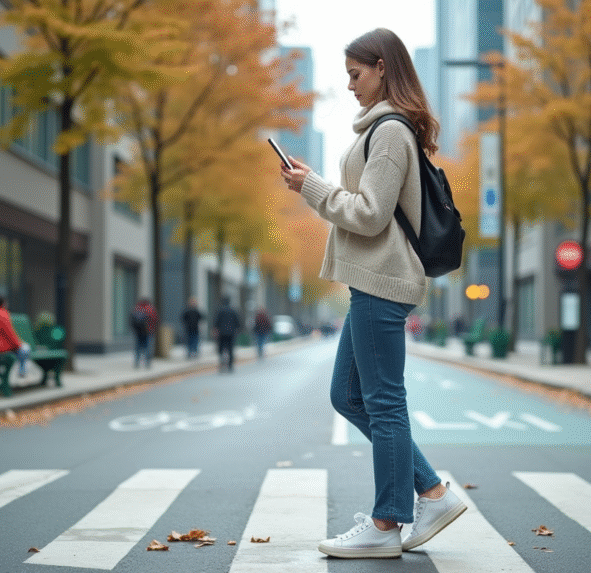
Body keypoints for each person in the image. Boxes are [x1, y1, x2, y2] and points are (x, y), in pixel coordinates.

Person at [279, 28, 466, 559]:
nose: (351, 86)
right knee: (348, 394)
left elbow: (370, 214)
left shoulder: (389, 133)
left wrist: (311, 186)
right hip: (372, 281)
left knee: (384, 402)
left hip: (383, 280)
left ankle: (386, 524)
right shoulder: (381, 130)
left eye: (356, 75)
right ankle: (430, 491)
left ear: (382, 68)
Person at [214, 296, 241, 372]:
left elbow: (216, 321)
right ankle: (230, 365)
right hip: (231, 333)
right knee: (230, 349)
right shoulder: (233, 310)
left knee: (221, 349)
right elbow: (238, 322)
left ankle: (222, 364)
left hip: (222, 333)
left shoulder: (220, 310)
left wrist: (215, 330)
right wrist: (237, 329)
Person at [131, 298, 158, 369]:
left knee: (138, 347)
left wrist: (134, 330)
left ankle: (137, 362)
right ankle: (147, 363)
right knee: (148, 347)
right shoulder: (150, 309)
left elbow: (131, 320)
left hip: (138, 332)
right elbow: (155, 320)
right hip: (148, 332)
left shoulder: (137, 309)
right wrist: (153, 329)